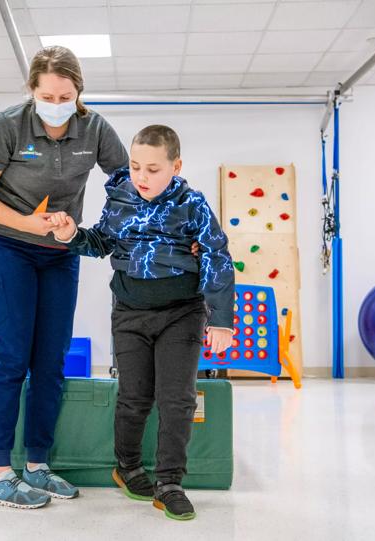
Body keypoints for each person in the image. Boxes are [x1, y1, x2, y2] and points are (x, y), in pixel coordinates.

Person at [0, 46, 128, 509]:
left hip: (60, 251)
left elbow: (126, 183)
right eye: (47, 94)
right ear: (32, 91)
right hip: (6, 247)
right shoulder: (7, 127)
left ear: (79, 93)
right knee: (11, 357)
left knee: (51, 361)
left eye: (66, 94)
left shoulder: (94, 128)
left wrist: (98, 229)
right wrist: (26, 223)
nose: (56, 102)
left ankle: (37, 465)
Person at [48, 125, 234, 521]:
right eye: (135, 166)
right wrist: (71, 236)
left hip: (181, 312)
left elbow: (217, 255)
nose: (142, 177)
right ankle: (128, 467)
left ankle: (169, 483)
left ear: (176, 166)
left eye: (153, 169)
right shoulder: (119, 197)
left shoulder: (192, 203)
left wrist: (221, 320)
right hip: (130, 312)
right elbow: (102, 242)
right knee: (134, 397)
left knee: (178, 399)